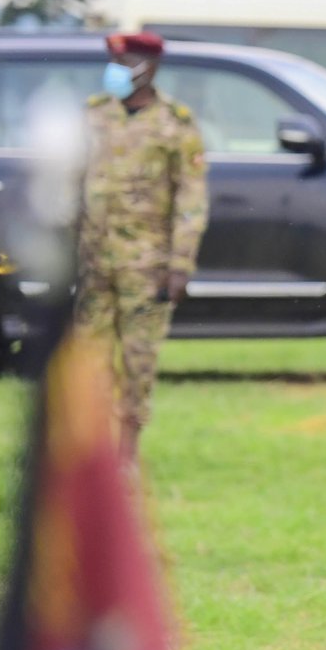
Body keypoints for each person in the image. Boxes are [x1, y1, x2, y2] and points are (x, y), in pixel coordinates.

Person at [75, 32, 209, 463]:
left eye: (123, 60)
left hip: (145, 266)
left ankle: (126, 451)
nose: (114, 69)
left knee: (138, 360)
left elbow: (191, 200)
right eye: (113, 60)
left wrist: (180, 265)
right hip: (93, 261)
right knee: (87, 358)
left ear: (147, 67)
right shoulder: (94, 116)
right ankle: (88, 451)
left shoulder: (175, 124)